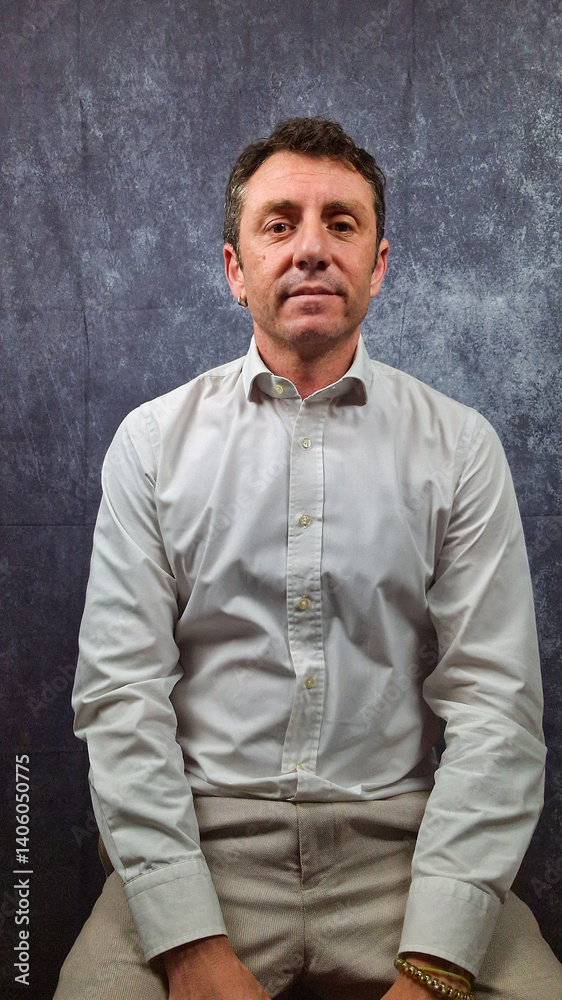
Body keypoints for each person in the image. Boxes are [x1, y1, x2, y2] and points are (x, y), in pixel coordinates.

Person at [54, 117, 562, 1000]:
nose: (312, 249)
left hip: (402, 853)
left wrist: (437, 961)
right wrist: (188, 942)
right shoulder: (151, 445)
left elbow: (496, 707)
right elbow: (121, 697)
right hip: (200, 850)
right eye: (280, 224)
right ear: (234, 268)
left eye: (342, 223)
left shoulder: (459, 448)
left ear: (379, 263)